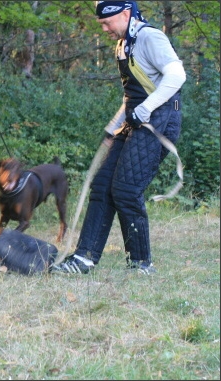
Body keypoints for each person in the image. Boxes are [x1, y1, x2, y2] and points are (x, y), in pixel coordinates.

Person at [52, 1, 186, 275]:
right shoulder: (124, 44)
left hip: (159, 121)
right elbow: (133, 96)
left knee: (126, 190)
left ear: (125, 14)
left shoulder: (150, 37)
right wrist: (113, 128)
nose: (103, 28)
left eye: (106, 22)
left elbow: (177, 75)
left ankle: (141, 264)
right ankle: (84, 259)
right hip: (136, 119)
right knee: (102, 186)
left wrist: (146, 109)